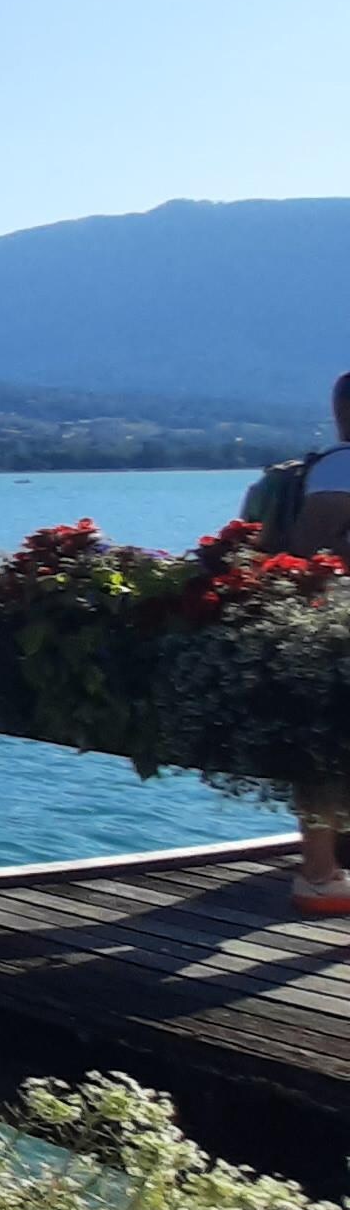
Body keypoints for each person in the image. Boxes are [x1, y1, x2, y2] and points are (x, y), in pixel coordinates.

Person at [282, 372, 350, 914]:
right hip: (335, 624)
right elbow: (306, 547)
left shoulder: (333, 465)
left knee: (327, 747)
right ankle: (319, 876)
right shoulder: (342, 467)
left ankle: (321, 874)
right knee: (327, 745)